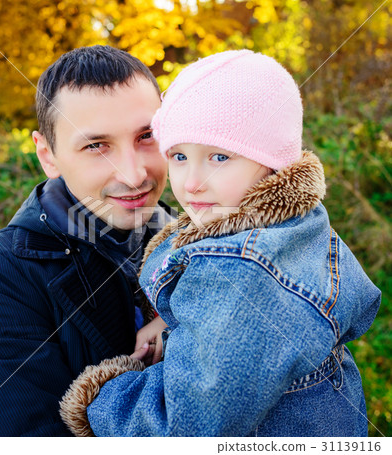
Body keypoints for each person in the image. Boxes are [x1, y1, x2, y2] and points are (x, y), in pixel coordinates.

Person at [59, 50, 381, 437]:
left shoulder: (239, 267)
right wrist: (169, 330)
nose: (192, 181)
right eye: (178, 155)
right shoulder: (295, 225)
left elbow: (186, 426)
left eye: (218, 156)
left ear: (271, 162)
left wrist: (101, 398)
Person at [0, 45, 175, 436]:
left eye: (147, 136)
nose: (133, 173)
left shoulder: (192, 237)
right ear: (48, 155)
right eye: (96, 146)